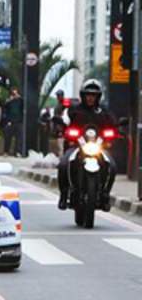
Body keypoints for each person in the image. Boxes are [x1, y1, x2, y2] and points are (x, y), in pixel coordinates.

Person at [57, 79, 117, 211]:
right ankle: (63, 195)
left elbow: (113, 124)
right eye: (88, 94)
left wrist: (115, 131)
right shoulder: (74, 109)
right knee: (63, 164)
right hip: (77, 145)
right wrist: (63, 128)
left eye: (94, 95)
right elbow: (65, 122)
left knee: (112, 166)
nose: (90, 98)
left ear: (98, 97)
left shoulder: (103, 111)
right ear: (83, 95)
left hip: (98, 146)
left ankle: (105, 194)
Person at [2, 88, 24, 157]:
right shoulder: (9, 101)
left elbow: (24, 105)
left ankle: (17, 152)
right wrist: (9, 100)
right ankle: (6, 151)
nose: (14, 95)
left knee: (19, 138)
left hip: (19, 121)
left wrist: (20, 98)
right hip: (10, 121)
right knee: (8, 137)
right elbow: (4, 107)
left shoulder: (21, 101)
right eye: (13, 93)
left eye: (15, 93)